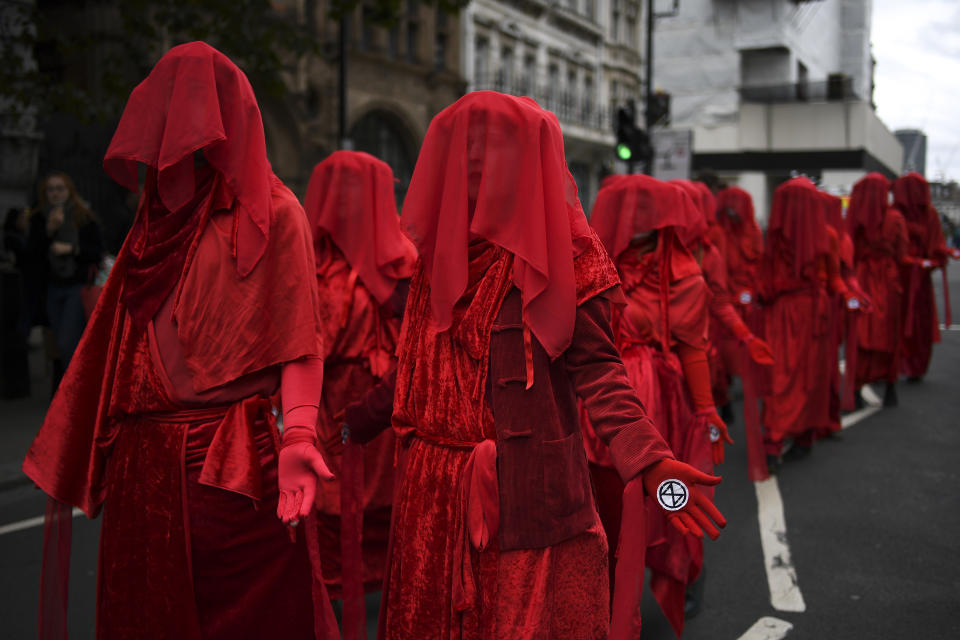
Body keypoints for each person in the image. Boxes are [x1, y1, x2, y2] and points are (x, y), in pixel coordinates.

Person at [330, 92, 726, 640]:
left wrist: (650, 460)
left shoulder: (567, 256)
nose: (474, 173)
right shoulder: (434, 261)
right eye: (464, 157)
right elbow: (420, 371)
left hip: (528, 498)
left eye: (487, 158)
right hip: (432, 500)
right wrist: (354, 421)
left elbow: (600, 373)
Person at [22, 42, 338, 640]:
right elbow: (125, 341)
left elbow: (300, 341)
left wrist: (297, 432)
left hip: (230, 467)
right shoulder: (152, 222)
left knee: (251, 620)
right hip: (145, 475)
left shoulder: (274, 212)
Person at [589, 175, 732, 635]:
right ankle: (605, 593)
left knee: (661, 503)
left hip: (655, 402)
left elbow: (692, 347)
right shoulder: (590, 264)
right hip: (593, 400)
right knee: (601, 503)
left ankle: (683, 571)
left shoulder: (683, 273)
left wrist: (707, 411)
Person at [301, 150, 417, 637]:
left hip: (356, 407)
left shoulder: (312, 269)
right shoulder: (404, 263)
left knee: (346, 509)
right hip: (378, 405)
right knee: (363, 508)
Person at [759, 177, 832, 469]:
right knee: (808, 373)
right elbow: (830, 276)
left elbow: (766, 283)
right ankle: (803, 436)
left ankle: (775, 441)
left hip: (784, 313)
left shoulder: (775, 239)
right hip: (813, 312)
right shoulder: (826, 237)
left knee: (781, 375)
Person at [26, 172, 103, 391]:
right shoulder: (40, 218)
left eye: (60, 188)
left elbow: (96, 251)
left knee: (68, 342)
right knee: (60, 343)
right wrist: (49, 231)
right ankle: (72, 389)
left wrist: (72, 249)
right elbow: (32, 256)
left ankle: (75, 392)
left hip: (76, 287)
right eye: (51, 189)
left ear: (69, 191)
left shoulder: (83, 217)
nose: (56, 193)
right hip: (52, 287)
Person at [847, 173, 909, 407]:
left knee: (861, 335)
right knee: (889, 333)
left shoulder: (857, 218)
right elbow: (902, 254)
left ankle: (856, 389)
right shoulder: (895, 218)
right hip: (888, 279)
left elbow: (849, 249)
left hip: (863, 277)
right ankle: (890, 388)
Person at [893, 172, 951, 380]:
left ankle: (912, 364)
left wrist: (930, 261)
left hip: (912, 277)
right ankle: (900, 364)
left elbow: (936, 245)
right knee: (900, 318)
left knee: (915, 320)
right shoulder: (897, 214)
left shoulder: (927, 214)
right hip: (902, 276)